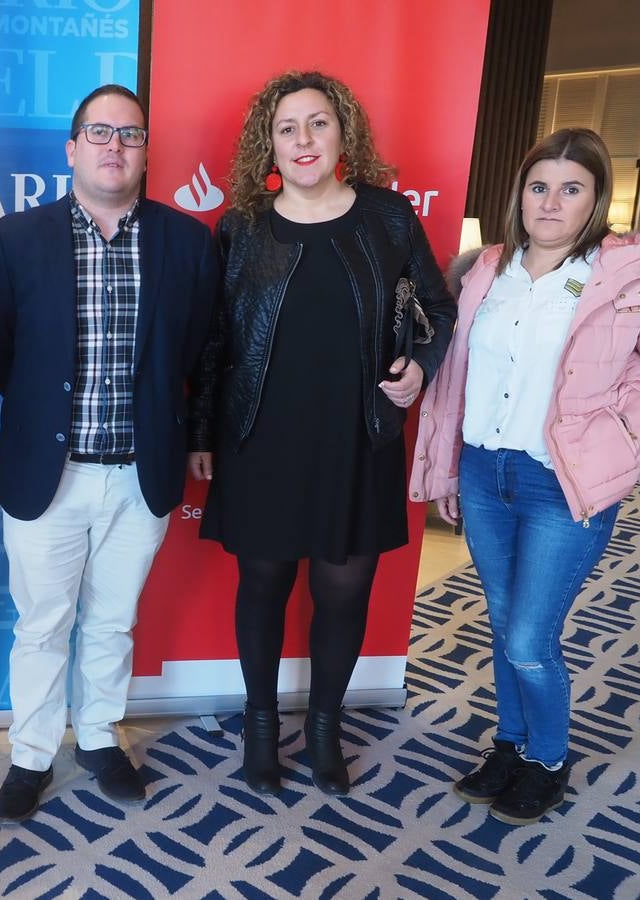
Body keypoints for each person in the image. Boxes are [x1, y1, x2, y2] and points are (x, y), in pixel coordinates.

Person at [412, 127, 640, 825]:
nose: (550, 202)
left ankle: (548, 759)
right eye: (538, 186)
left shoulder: (630, 274)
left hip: (563, 485)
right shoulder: (486, 271)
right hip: (488, 474)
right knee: (502, 622)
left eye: (570, 189)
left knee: (529, 636)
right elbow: (459, 379)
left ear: (596, 198)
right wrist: (452, 468)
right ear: (519, 194)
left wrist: (638, 456)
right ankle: (511, 744)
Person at [188, 71, 456, 797]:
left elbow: (438, 309)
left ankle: (327, 729)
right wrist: (203, 428)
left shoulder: (389, 218)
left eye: (318, 124)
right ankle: (262, 727)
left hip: (356, 437)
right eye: (287, 128)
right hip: (261, 438)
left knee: (344, 592)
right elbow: (214, 339)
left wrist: (421, 367)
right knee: (264, 584)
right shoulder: (241, 227)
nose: (303, 141)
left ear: (344, 133)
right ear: (267, 143)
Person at [0, 84, 220, 824]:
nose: (115, 146)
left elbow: (206, 352)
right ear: (72, 148)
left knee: (114, 620)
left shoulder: (186, 242)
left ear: (147, 151)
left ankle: (99, 736)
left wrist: (196, 435)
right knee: (43, 624)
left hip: (140, 473)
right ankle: (31, 756)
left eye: (131, 134)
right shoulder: (17, 241)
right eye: (100, 132)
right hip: (48, 474)